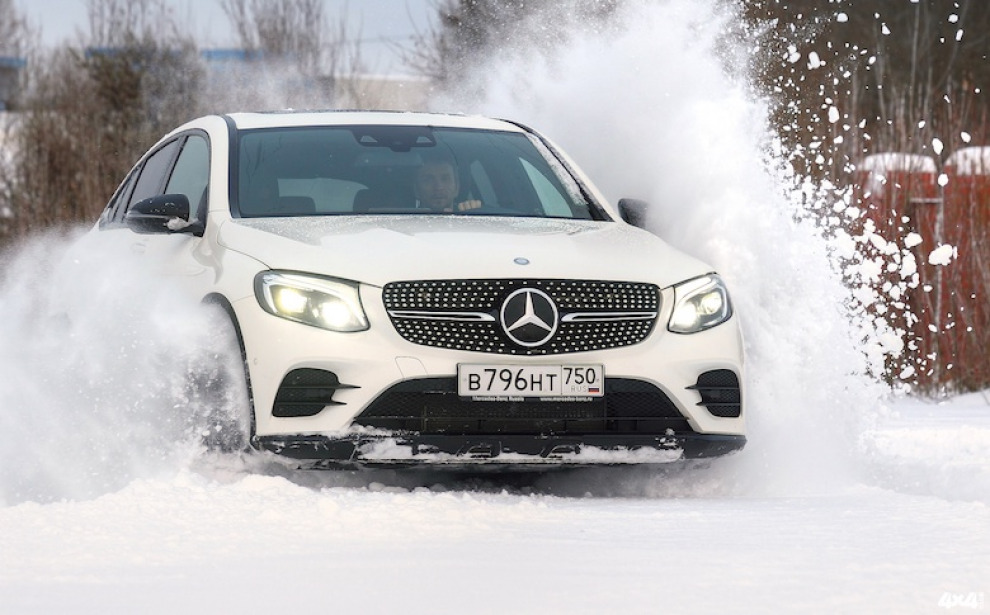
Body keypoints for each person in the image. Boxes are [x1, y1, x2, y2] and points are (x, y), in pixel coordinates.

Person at [413, 154, 482, 212]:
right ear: (417, 190)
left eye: (445, 179)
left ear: (457, 187)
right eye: (429, 180)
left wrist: (474, 214)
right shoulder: (406, 223)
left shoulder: (473, 219)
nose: (438, 187)